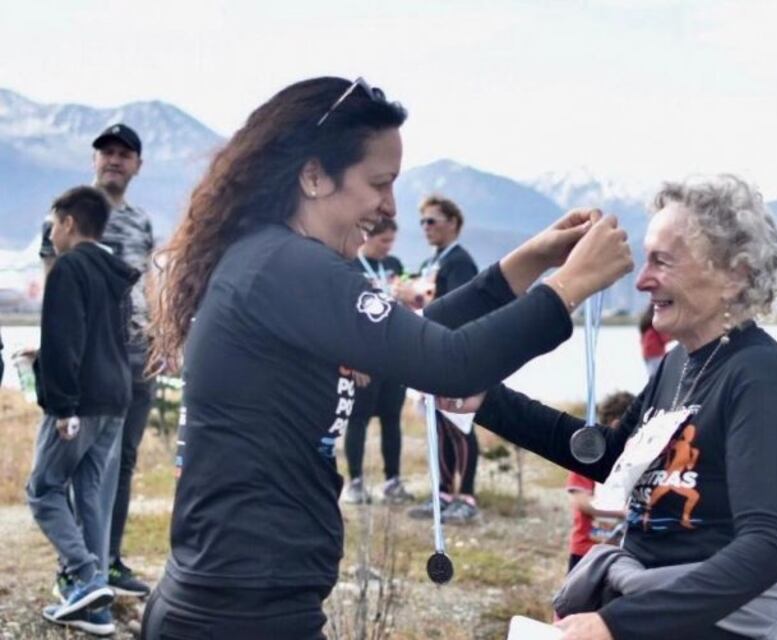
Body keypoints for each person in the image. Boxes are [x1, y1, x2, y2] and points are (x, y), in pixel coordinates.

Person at [140, 76, 632, 639]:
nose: (389, 206)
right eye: (379, 182)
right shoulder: (286, 267)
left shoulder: (278, 263)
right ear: (314, 175)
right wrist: (569, 287)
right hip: (239, 614)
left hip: (237, 600)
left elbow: (417, 337)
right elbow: (451, 363)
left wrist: (529, 263)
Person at [439, 175, 777, 640]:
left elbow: (770, 545)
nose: (641, 280)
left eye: (662, 261)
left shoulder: (759, 376)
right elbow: (614, 457)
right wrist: (488, 401)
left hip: (713, 623)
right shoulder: (681, 361)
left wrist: (616, 625)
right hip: (646, 602)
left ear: (734, 274)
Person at [39, 123, 156, 598]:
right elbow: (56, 283)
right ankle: (78, 566)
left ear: (137, 165)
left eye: (124, 154)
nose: (114, 159)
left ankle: (106, 562)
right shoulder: (68, 212)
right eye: (106, 152)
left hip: (135, 354)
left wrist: (161, 338)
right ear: (94, 160)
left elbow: (149, 283)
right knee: (74, 463)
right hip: (90, 353)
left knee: (118, 463)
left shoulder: (142, 221)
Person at [27, 186, 139, 636]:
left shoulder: (70, 267)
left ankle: (87, 576)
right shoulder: (115, 271)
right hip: (116, 398)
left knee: (44, 489)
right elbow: (110, 339)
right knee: (90, 494)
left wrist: (62, 405)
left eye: (55, 223)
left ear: (70, 222)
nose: (52, 232)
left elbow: (64, 340)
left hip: (81, 401)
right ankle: (96, 612)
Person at [402, 195, 484, 523]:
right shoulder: (431, 262)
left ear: (453, 222)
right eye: (422, 222)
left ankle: (467, 495)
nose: (425, 228)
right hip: (431, 353)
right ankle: (443, 492)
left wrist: (420, 300)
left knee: (460, 425)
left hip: (457, 353)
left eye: (432, 221)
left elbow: (461, 306)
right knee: (438, 426)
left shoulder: (459, 262)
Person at [342, 216, 413, 504]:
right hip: (364, 359)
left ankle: (392, 481)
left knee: (391, 419)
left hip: (394, 356)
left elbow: (409, 304)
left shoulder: (395, 266)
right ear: (368, 237)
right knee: (358, 419)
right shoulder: (350, 267)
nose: (388, 247)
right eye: (384, 241)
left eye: (392, 241)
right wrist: (351, 358)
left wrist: (407, 296)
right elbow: (344, 316)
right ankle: (355, 482)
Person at [566, 391, 632, 573]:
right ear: (617, 425)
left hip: (621, 555)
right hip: (586, 551)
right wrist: (623, 513)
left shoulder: (633, 462)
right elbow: (581, 502)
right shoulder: (588, 458)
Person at [639, 303, 670, 376]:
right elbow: (664, 339)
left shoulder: (645, 324)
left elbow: (642, 340)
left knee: (652, 375)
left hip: (646, 354)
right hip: (656, 354)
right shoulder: (656, 324)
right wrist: (675, 336)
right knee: (657, 376)